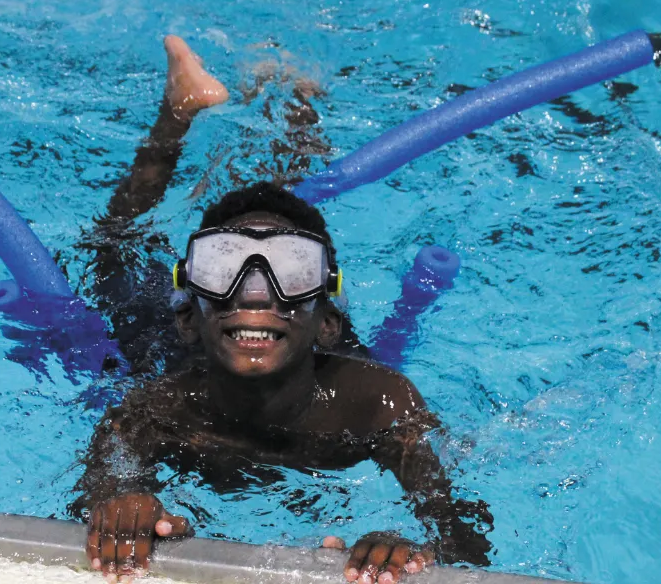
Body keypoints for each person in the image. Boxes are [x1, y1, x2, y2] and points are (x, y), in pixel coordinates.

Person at [65, 35, 493, 584]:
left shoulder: (376, 404)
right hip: (176, 352)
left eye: (291, 271)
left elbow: (460, 528)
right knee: (110, 251)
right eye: (224, 268)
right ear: (187, 319)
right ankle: (178, 111)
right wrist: (124, 504)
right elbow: (98, 492)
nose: (256, 293)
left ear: (330, 322)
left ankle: (300, 100)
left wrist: (407, 547)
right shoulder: (157, 406)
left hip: (313, 357)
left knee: (261, 217)